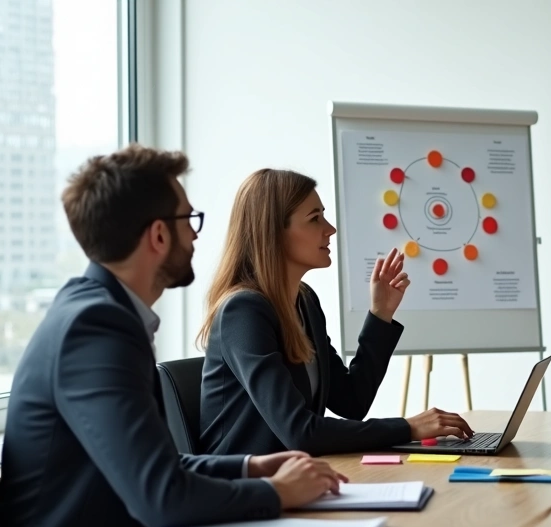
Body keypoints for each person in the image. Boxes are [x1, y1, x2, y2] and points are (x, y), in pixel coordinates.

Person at [0, 145, 346, 527]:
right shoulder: (95, 328)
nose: (196, 233)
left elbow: (157, 467)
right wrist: (276, 492)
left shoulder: (103, 313)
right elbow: (161, 497)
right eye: (189, 219)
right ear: (159, 235)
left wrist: (251, 467)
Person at [197, 169, 474, 458]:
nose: (329, 229)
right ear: (273, 232)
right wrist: (407, 427)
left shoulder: (305, 302)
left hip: (296, 477)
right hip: (245, 491)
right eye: (314, 219)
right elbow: (299, 432)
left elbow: (351, 402)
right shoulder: (243, 312)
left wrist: (381, 314)